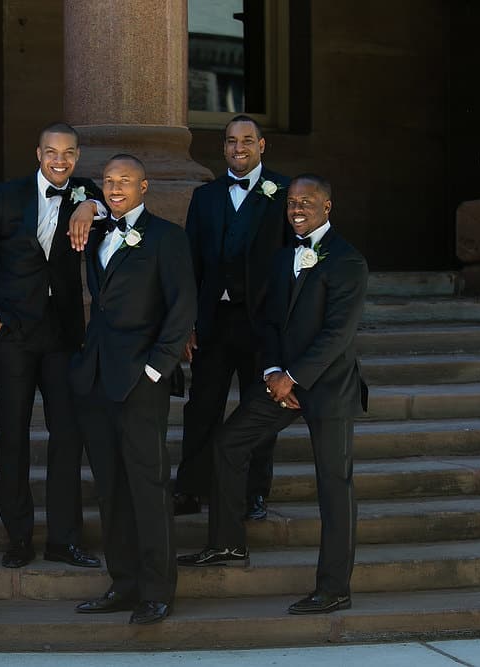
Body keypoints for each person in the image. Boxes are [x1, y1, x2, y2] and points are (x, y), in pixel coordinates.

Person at [178, 174, 368, 617]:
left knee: (333, 484)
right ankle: (226, 543)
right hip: (280, 380)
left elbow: (337, 333)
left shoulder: (348, 261)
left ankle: (335, 587)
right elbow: (265, 322)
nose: (297, 208)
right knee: (228, 443)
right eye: (292, 202)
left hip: (328, 387)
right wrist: (271, 371)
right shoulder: (283, 259)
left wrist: (296, 379)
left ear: (327, 207)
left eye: (308, 201)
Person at [0, 122, 102, 569]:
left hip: (63, 335)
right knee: (13, 435)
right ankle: (18, 537)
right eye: (52, 152)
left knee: (68, 435)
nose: (61, 160)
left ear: (77, 156)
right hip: (11, 335)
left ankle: (64, 538)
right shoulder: (4, 196)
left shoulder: (86, 191)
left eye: (69, 153)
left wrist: (90, 204)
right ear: (38, 153)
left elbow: (116, 206)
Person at [71, 155, 196, 625]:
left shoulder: (168, 238)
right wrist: (88, 205)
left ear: (145, 186)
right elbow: (76, 192)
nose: (115, 186)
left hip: (142, 381)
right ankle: (122, 584)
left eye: (125, 179)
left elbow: (183, 307)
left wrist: (156, 370)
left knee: (148, 486)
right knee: (110, 489)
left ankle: (157, 590)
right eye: (108, 180)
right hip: (96, 378)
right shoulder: (96, 229)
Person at [174, 114, 293, 521]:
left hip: (263, 325)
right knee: (202, 406)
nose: (237, 147)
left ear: (262, 146)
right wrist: (187, 323)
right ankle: (190, 488)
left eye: (246, 140)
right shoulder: (205, 197)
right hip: (213, 320)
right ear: (222, 147)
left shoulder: (284, 193)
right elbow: (190, 263)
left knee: (259, 409)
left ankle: (254, 493)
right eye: (230, 141)